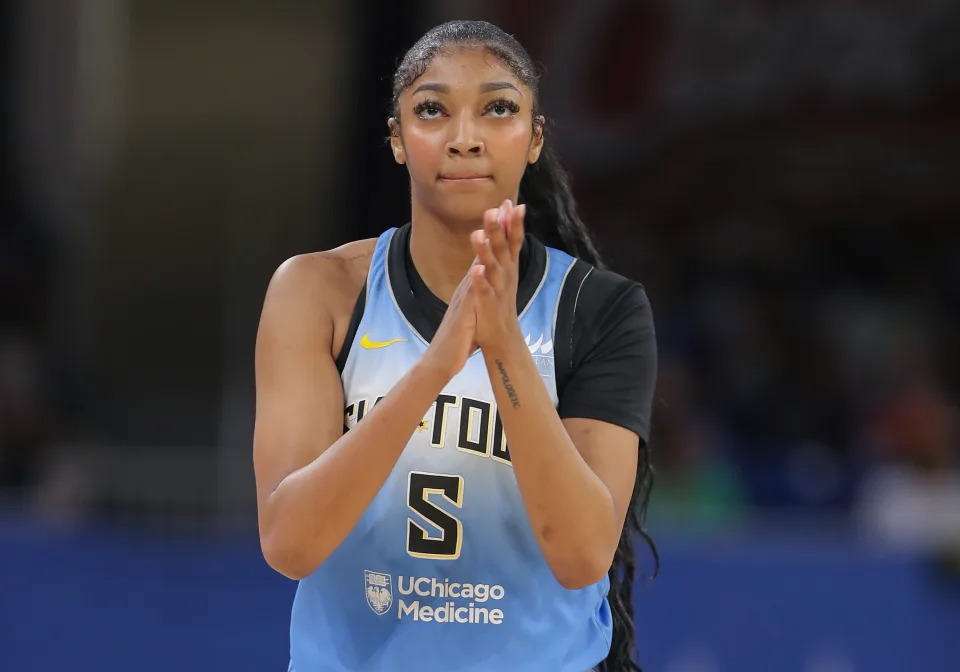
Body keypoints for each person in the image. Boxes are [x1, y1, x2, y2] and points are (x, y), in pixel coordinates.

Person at [254, 20, 657, 672]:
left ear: (534, 139)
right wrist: (438, 363)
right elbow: (289, 543)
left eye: (499, 109)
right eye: (432, 109)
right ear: (396, 140)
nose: (465, 138)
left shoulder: (598, 310)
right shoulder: (317, 293)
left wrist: (502, 349)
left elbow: (582, 554)